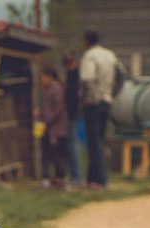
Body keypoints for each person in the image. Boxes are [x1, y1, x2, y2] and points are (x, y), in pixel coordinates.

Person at [79, 29, 120, 189]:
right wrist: (113, 95)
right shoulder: (110, 55)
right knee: (100, 139)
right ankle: (92, 179)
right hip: (107, 100)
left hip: (93, 103)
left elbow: (87, 80)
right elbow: (121, 76)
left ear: (86, 41)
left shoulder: (89, 56)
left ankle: (100, 180)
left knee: (93, 141)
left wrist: (87, 99)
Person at [37, 66, 69, 189]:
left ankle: (61, 180)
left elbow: (57, 108)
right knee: (48, 155)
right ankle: (49, 179)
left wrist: (46, 120)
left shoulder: (56, 89)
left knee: (57, 156)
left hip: (56, 130)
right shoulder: (50, 89)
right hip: (50, 129)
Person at [62, 48, 83, 188]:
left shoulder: (74, 76)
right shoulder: (74, 75)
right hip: (72, 114)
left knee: (72, 146)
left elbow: (73, 97)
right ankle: (75, 175)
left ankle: (76, 177)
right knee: (70, 146)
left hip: (72, 114)